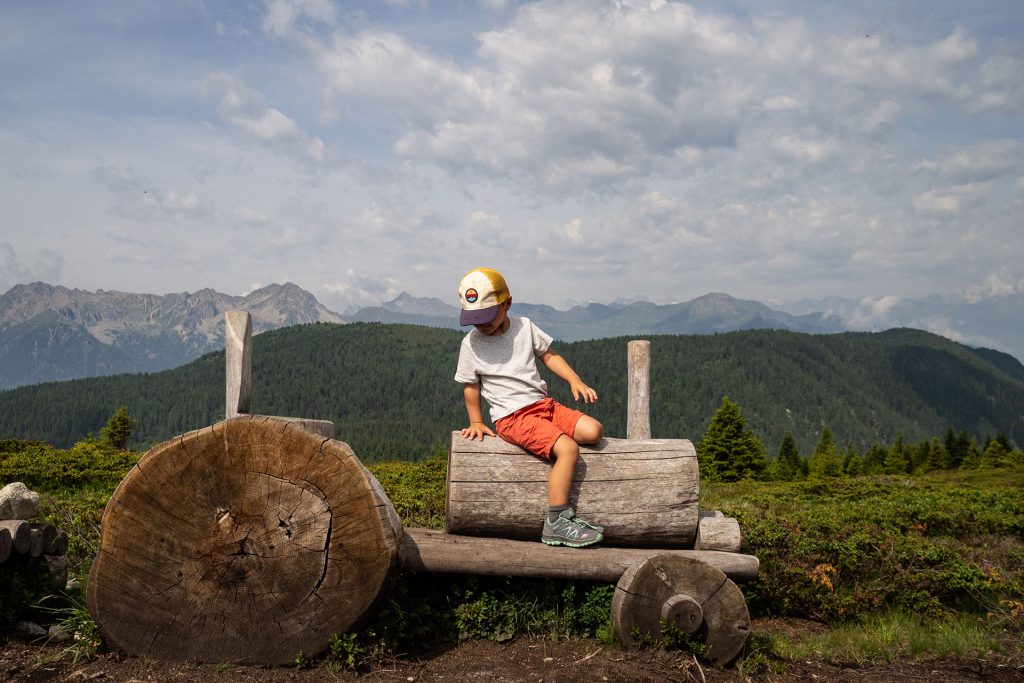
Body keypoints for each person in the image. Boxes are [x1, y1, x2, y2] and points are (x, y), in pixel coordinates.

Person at [453, 267, 605, 547]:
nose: (481, 325)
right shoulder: (471, 344)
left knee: (593, 431)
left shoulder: (525, 326)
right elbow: (470, 386)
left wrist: (575, 380)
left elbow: (549, 355)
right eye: (474, 320)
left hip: (543, 405)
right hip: (512, 418)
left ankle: (552, 441)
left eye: (486, 317)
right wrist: (476, 421)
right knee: (568, 449)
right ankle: (557, 520)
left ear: (507, 303)